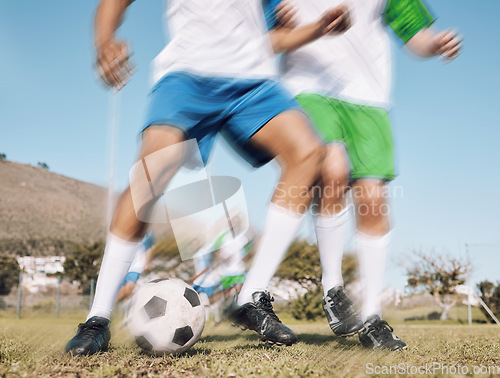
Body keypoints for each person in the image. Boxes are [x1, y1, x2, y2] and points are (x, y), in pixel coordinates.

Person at [65, 0, 350, 355]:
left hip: (253, 81)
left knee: (309, 154)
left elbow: (271, 36)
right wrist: (104, 39)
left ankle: (251, 297)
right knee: (150, 176)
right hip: (188, 75)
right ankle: (97, 320)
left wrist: (318, 28)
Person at [264, 0, 462, 351]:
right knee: (332, 168)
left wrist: (436, 44)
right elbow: (261, 31)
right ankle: (333, 286)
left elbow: (415, 36)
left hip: (369, 99)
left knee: (372, 200)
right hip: (307, 86)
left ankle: (371, 318)